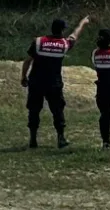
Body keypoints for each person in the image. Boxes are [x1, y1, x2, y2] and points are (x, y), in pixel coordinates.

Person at [21, 15, 90, 149]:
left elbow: (27, 61)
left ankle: (33, 139)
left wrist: (24, 77)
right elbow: (75, 35)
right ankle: (61, 138)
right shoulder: (64, 44)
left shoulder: (38, 41)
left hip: (36, 81)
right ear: (62, 30)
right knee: (57, 110)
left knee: (34, 110)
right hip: (54, 83)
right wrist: (83, 22)